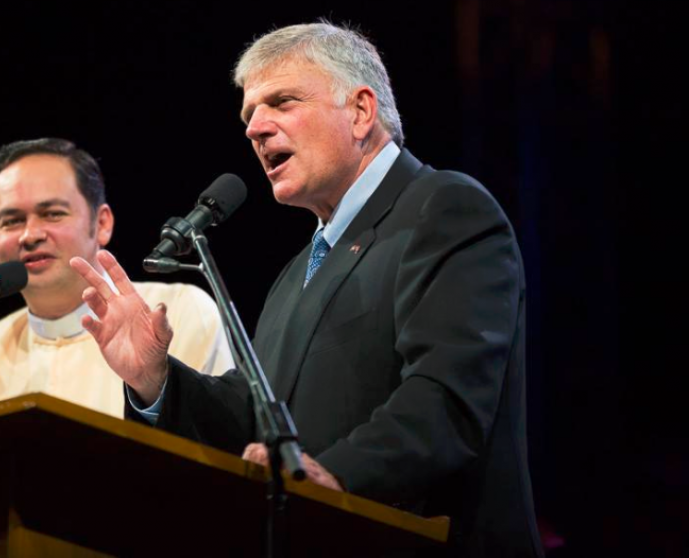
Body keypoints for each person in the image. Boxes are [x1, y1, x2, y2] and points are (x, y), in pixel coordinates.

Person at [71, 23, 542, 557]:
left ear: (361, 111)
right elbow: (256, 420)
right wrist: (156, 378)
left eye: (282, 102)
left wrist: (334, 475)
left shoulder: (444, 207)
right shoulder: (297, 272)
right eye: (249, 116)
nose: (255, 130)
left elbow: (446, 395)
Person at [0, 138, 233, 418]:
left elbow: (221, 446)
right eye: (12, 221)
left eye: (53, 214)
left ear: (102, 223)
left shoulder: (179, 311)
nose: (30, 235)